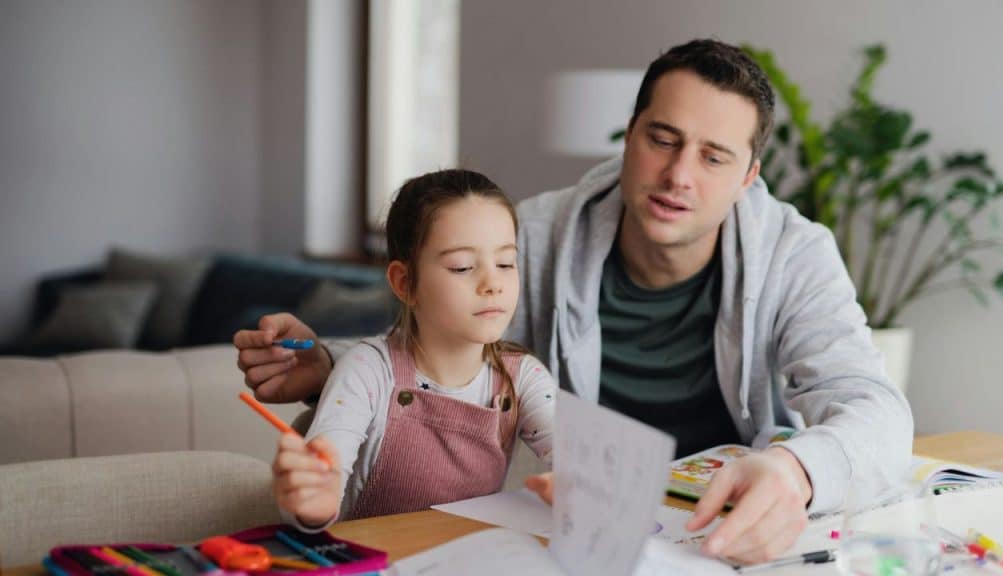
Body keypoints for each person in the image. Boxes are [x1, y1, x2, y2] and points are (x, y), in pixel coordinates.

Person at [236, 39, 912, 561]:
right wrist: (327, 368)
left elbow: (876, 410)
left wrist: (796, 470)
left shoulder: (796, 253)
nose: (678, 175)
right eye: (663, 139)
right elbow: (442, 346)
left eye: (713, 156)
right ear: (630, 132)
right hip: (581, 530)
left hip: (725, 534)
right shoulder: (532, 235)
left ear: (748, 177)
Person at [271, 169, 555, 530]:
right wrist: (313, 502)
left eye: (505, 263)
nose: (492, 284)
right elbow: (320, 485)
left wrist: (580, 483)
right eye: (462, 266)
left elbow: (575, 458)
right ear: (405, 283)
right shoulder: (367, 370)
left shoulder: (524, 378)